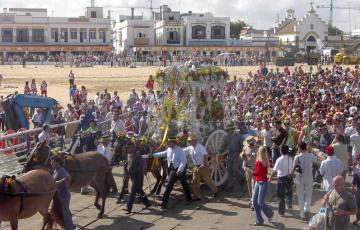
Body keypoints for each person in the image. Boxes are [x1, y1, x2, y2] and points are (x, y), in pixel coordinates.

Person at [153, 136, 192, 209]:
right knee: (169, 186)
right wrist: (153, 155)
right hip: (173, 170)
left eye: (168, 142)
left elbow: (184, 161)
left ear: (173, 143)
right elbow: (163, 153)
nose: (167, 143)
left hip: (180, 170)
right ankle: (164, 203)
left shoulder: (179, 150)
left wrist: (179, 170)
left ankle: (189, 199)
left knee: (185, 185)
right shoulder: (169, 149)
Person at [243, 146, 274, 226]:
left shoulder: (259, 162)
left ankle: (269, 214)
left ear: (259, 152)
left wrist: (247, 169)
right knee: (256, 202)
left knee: (259, 202)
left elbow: (256, 173)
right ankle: (259, 220)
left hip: (261, 183)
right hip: (261, 182)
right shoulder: (266, 160)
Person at [183, 133, 218, 201]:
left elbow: (205, 155)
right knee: (195, 181)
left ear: (195, 140)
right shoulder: (189, 148)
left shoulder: (200, 147)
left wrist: (204, 164)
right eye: (189, 141)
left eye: (191, 140)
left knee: (207, 180)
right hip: (195, 166)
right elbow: (182, 152)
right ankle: (196, 196)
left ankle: (215, 191)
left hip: (203, 166)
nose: (190, 142)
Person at [123, 140, 151, 213]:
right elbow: (129, 164)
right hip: (132, 176)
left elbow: (143, 164)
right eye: (127, 148)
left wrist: (144, 171)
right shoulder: (130, 155)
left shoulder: (137, 155)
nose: (127, 149)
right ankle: (147, 203)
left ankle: (129, 208)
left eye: (128, 148)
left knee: (132, 192)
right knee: (139, 191)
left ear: (133, 148)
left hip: (138, 175)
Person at [291, 141, 316, 220]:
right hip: (309, 178)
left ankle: (302, 214)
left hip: (300, 178)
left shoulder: (297, 157)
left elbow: (293, 167)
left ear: (299, 148)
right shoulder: (311, 155)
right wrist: (310, 151)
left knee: (300, 196)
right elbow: (315, 160)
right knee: (308, 195)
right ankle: (306, 210)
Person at [50, 155, 74, 230]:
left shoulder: (61, 170)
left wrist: (57, 183)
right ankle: (70, 226)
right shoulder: (55, 171)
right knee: (64, 211)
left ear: (57, 162)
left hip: (64, 194)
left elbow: (68, 177)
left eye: (53, 162)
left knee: (65, 213)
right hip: (58, 195)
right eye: (51, 162)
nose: (51, 164)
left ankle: (70, 228)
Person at [269, 145, 293, 216]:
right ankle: (289, 206)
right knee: (288, 193)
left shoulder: (279, 159)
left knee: (280, 196)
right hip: (289, 178)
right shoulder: (290, 159)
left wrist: (270, 179)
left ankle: (281, 212)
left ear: (281, 151)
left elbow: (274, 171)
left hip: (281, 179)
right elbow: (292, 168)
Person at [220, 123, 244, 190]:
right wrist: (219, 152)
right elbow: (223, 146)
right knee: (229, 170)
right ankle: (230, 185)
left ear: (233, 129)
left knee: (235, 169)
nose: (228, 131)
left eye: (230, 129)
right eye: (228, 130)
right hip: (229, 155)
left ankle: (241, 177)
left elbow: (243, 146)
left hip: (237, 154)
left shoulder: (239, 136)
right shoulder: (226, 137)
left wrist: (242, 153)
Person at [240, 136, 259, 208]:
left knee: (253, 185)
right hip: (247, 169)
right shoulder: (245, 148)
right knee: (249, 185)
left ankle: (254, 202)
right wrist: (242, 156)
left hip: (255, 169)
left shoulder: (257, 148)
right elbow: (243, 156)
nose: (250, 144)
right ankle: (251, 198)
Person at [352, 160, 360, 225]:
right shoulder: (357, 168)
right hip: (358, 189)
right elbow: (354, 179)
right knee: (357, 204)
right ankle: (358, 218)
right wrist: (352, 187)